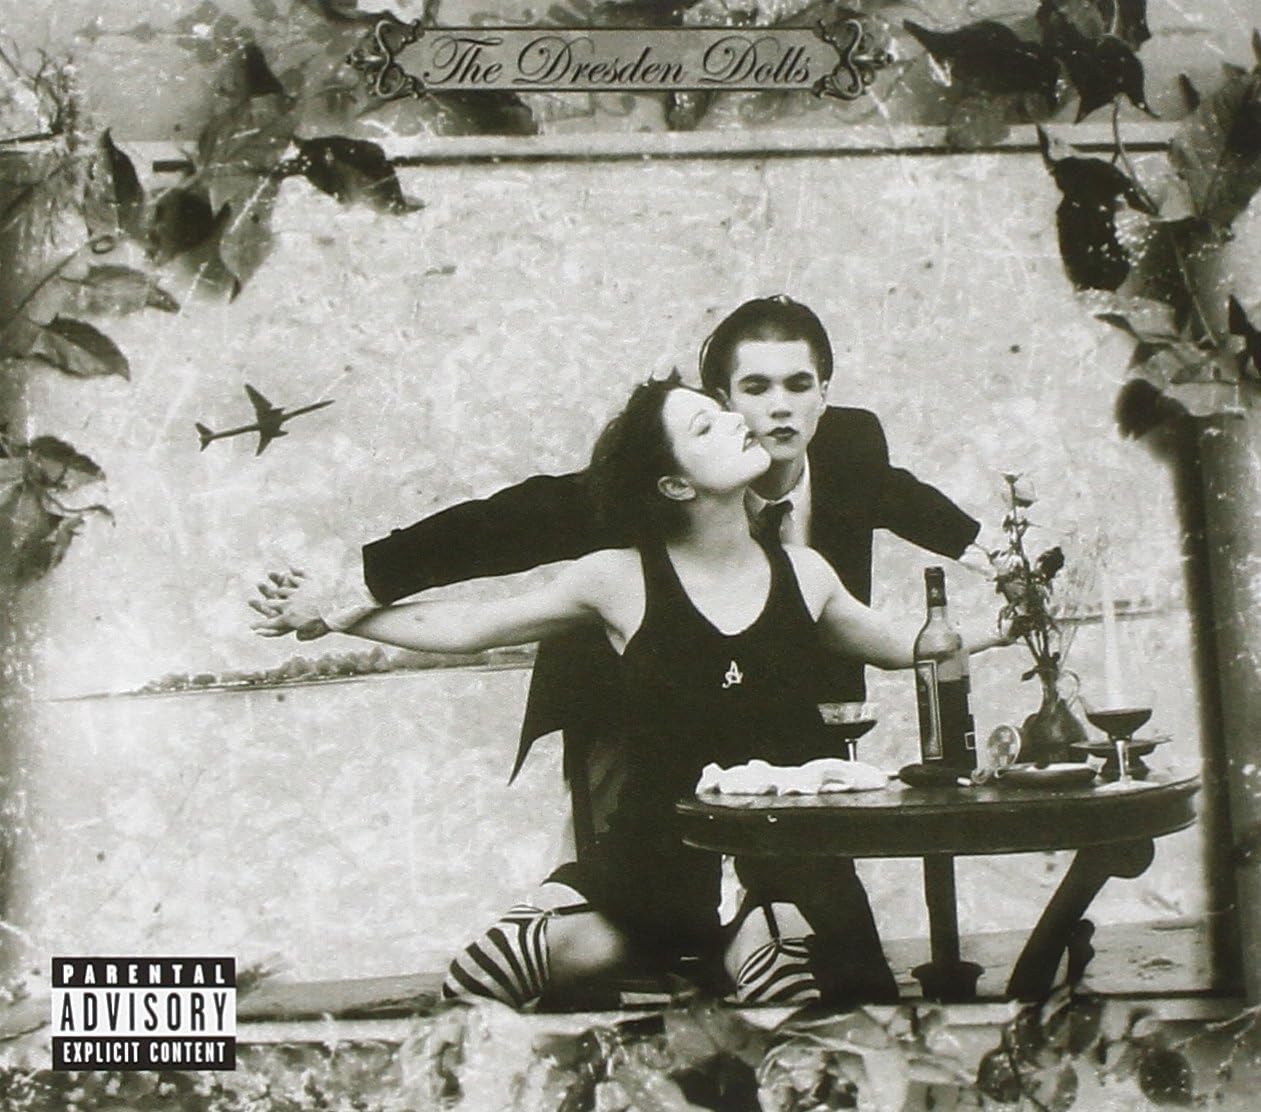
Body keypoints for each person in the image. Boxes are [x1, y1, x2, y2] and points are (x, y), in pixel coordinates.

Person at [252, 296, 985, 1003]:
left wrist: (1011, 607)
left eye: (799, 385)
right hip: (652, 786)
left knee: (822, 977)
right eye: (746, 394)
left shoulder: (824, 522)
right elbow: (479, 600)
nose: (769, 412)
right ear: (679, 471)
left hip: (779, 805)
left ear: (825, 392)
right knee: (531, 957)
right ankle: (633, 945)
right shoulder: (620, 565)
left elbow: (905, 617)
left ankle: (734, 949)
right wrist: (348, 605)